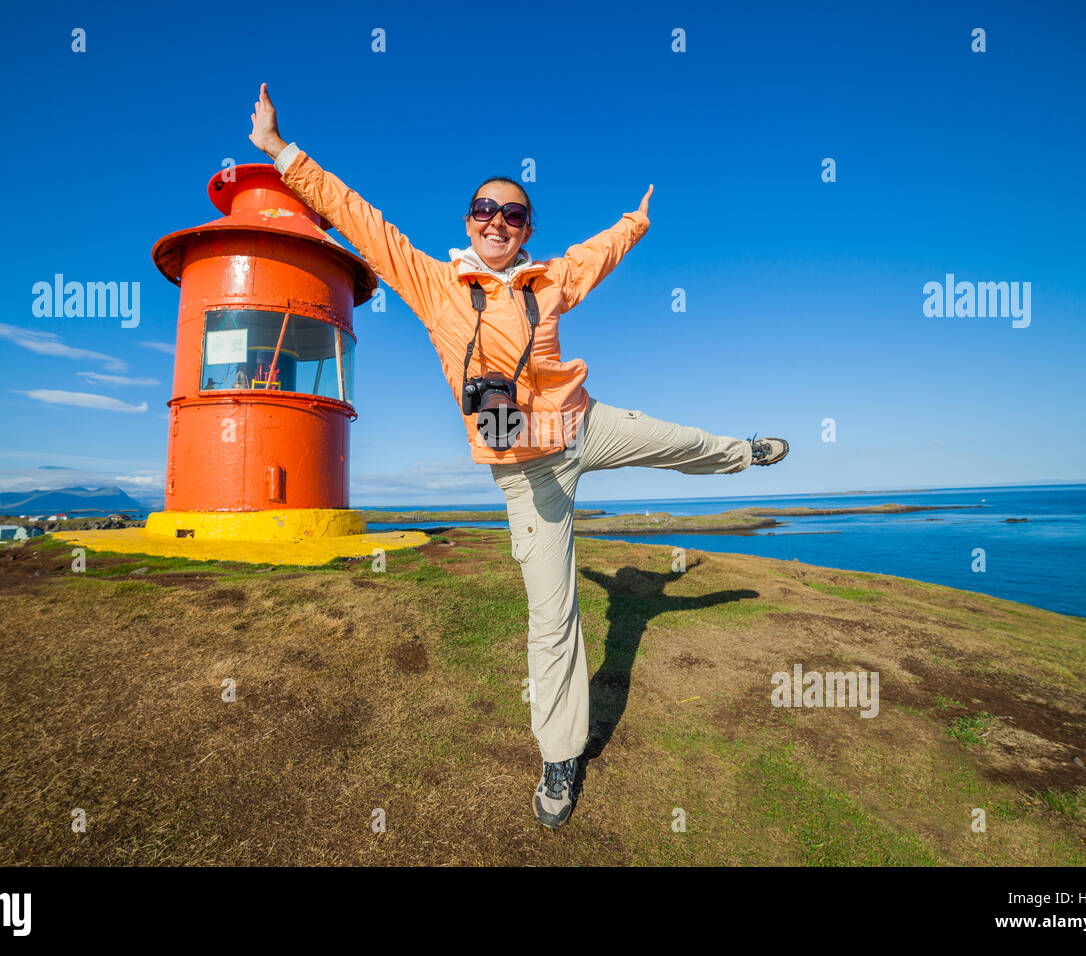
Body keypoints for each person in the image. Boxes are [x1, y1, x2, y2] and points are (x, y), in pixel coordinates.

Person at [249, 83, 788, 829]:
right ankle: (561, 757)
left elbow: (598, 256)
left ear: (527, 228)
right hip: (524, 473)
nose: (498, 220)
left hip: (582, 423)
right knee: (553, 616)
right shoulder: (434, 285)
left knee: (678, 441)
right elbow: (359, 219)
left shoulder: (550, 279)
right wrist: (282, 154)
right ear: (468, 223)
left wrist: (636, 219)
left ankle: (746, 454)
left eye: (513, 212)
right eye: (485, 210)